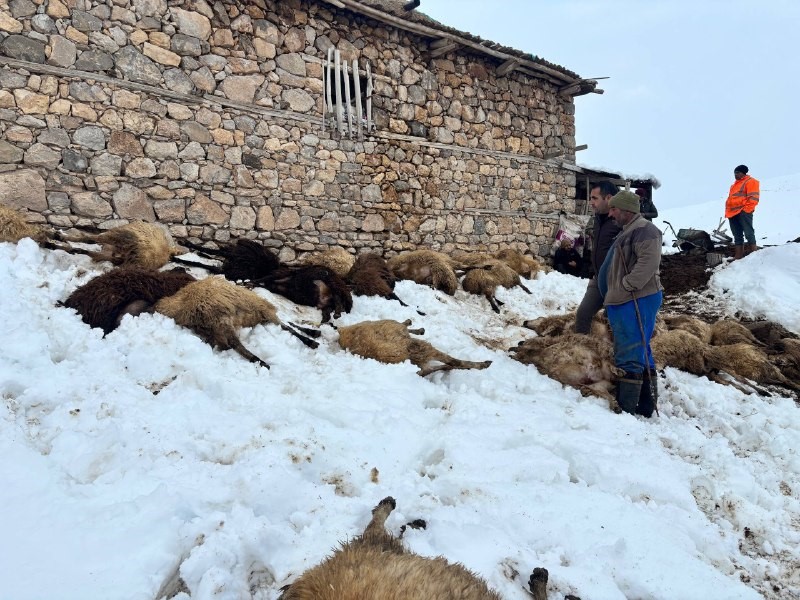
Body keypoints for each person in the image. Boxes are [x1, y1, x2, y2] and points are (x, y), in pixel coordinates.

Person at [596, 191, 663, 417]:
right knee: (640, 348)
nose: (611, 213)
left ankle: (627, 408)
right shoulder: (629, 231)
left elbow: (648, 262)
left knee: (630, 349)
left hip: (635, 298)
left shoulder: (646, 230)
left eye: (614, 209)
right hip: (624, 298)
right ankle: (644, 406)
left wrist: (626, 285)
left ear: (626, 210)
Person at [573, 181, 621, 334]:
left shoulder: (621, 222)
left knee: (612, 320)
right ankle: (580, 350)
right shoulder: (598, 220)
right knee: (583, 314)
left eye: (594, 198)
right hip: (598, 278)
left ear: (608, 198)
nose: (590, 203)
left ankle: (611, 354)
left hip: (616, 282)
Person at [726, 164, 760, 259]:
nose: (735, 174)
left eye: (738, 172)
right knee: (737, 235)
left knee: (748, 232)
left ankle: (755, 255)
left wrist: (746, 210)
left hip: (743, 212)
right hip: (732, 213)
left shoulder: (751, 181)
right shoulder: (734, 185)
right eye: (734, 173)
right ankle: (738, 256)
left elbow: (753, 198)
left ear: (743, 173)